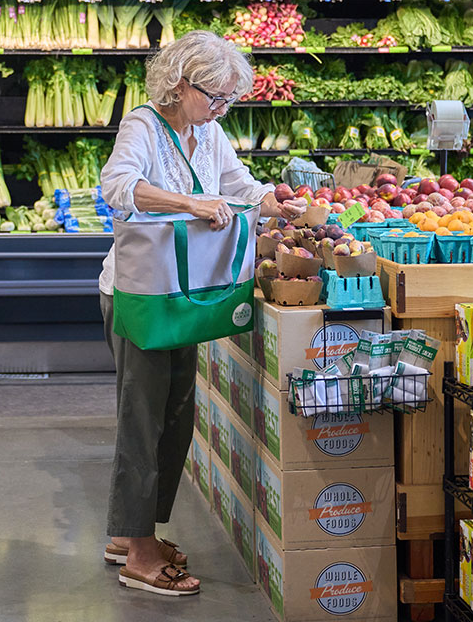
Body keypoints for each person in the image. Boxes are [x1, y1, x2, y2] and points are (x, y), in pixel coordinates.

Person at [98, 31, 308, 596]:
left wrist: (274, 200)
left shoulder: (209, 132)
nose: (221, 110)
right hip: (141, 294)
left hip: (184, 290)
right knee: (142, 420)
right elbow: (117, 187)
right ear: (180, 83)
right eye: (214, 97)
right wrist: (191, 202)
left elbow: (240, 186)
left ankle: (132, 533)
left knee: (175, 413)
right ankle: (139, 553)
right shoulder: (143, 125)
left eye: (228, 101)